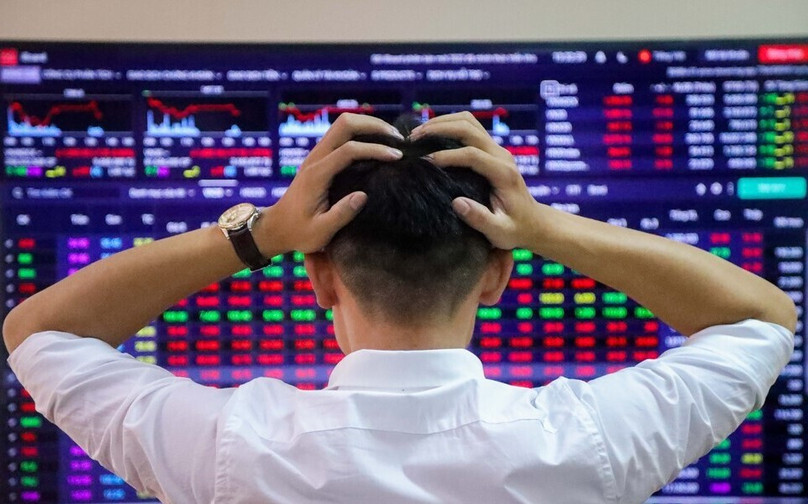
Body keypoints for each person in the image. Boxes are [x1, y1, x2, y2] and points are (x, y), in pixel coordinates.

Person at [2, 112, 796, 504]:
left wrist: (260, 233)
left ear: (318, 279)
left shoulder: (233, 449)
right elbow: (759, 318)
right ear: (497, 276)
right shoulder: (583, 444)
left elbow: (39, 330)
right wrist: (546, 226)